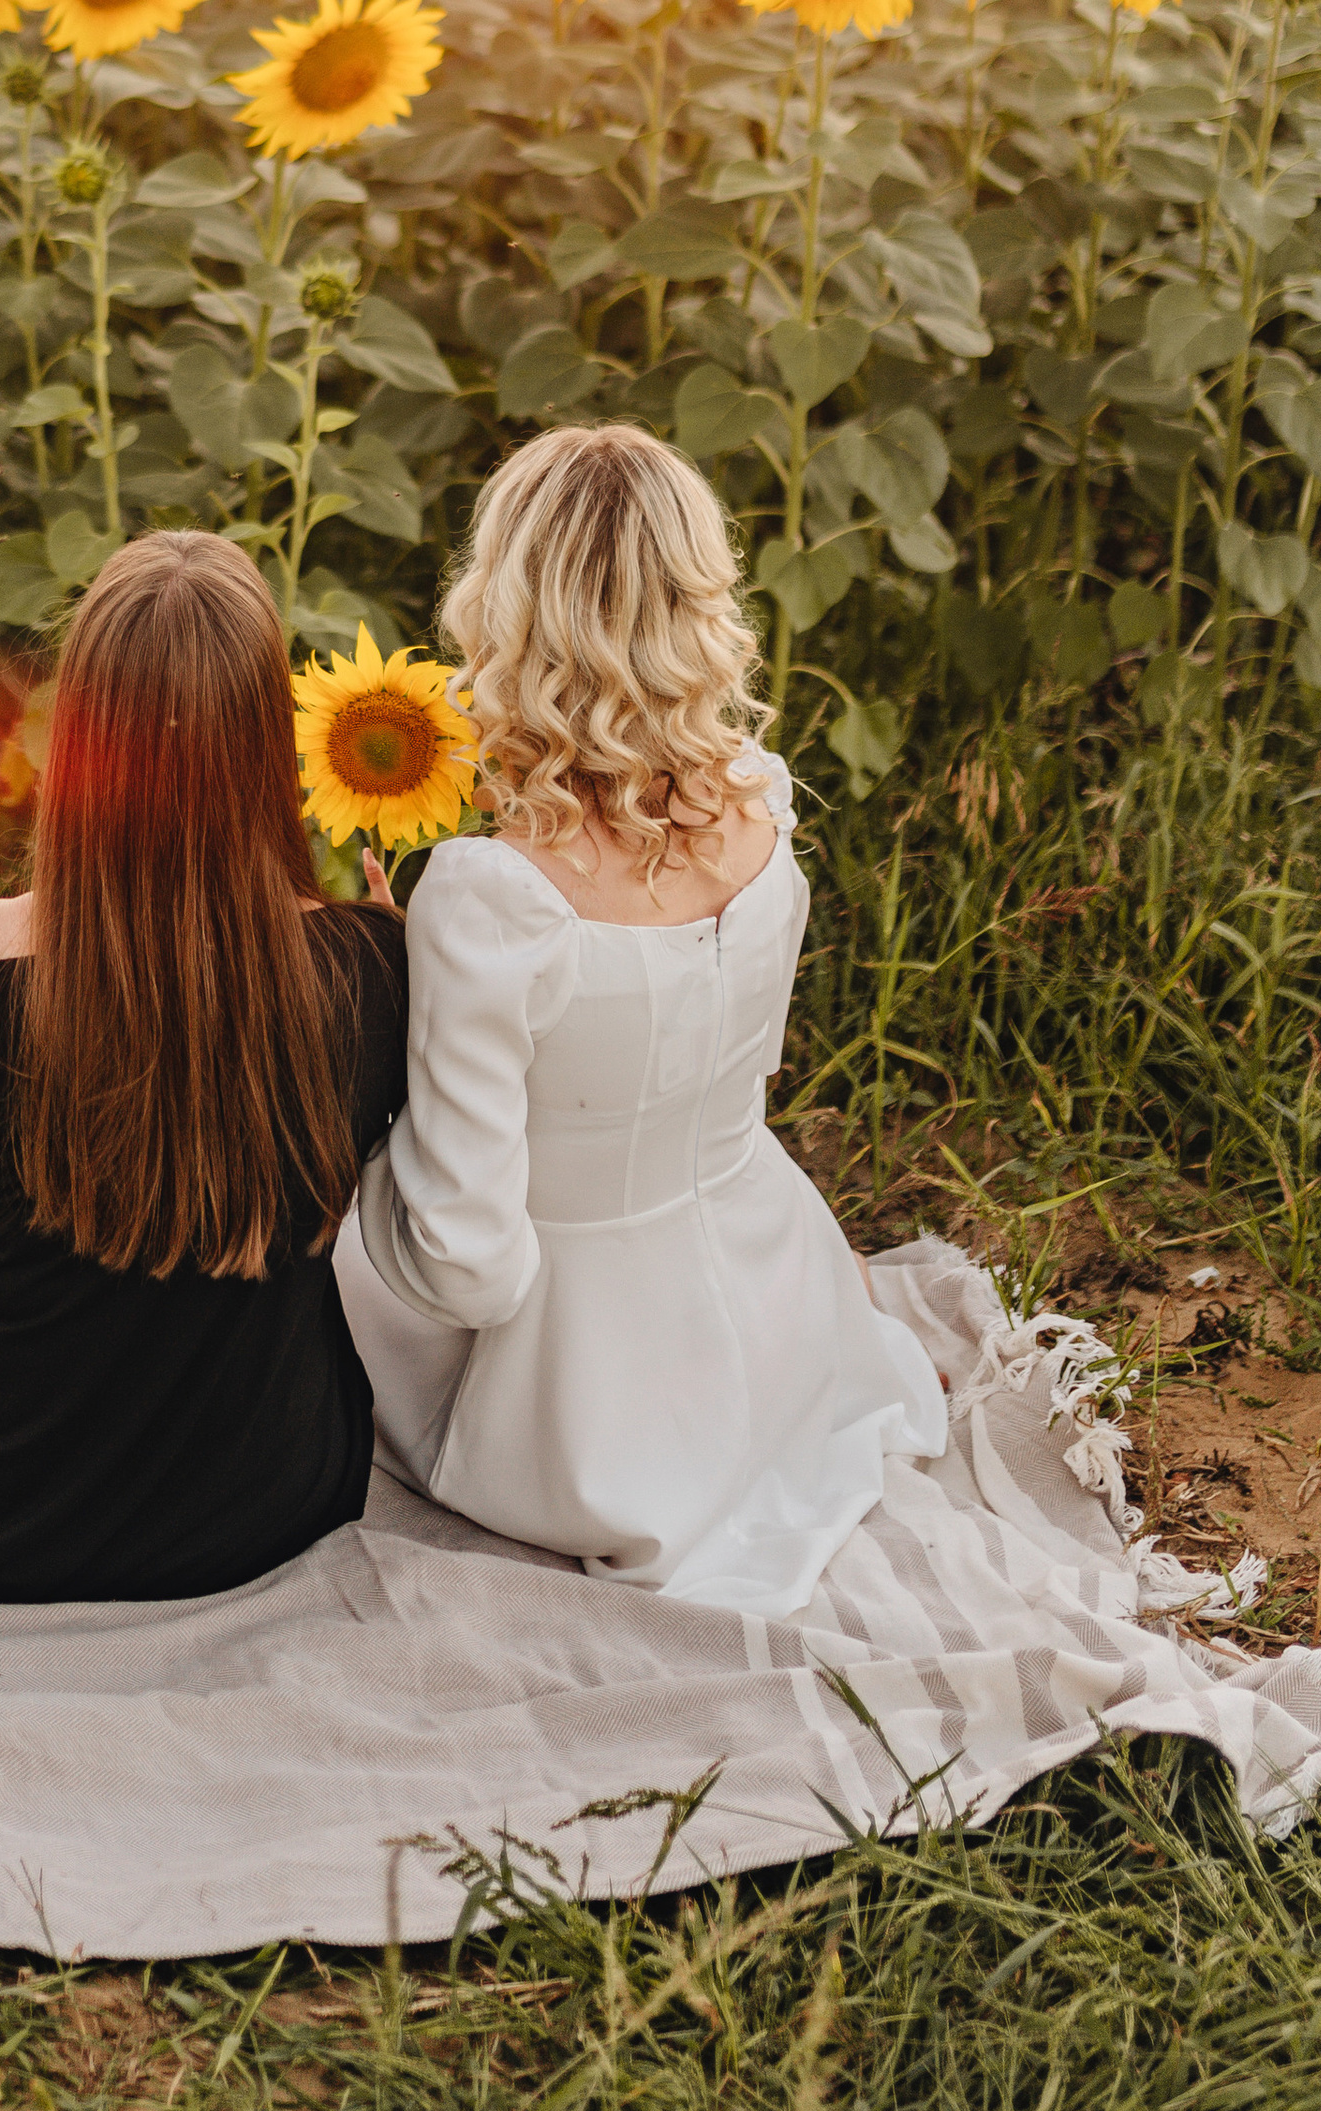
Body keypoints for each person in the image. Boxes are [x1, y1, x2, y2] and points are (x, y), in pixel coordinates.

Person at [334, 420, 947, 1609]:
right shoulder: (764, 805)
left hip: (581, 1414)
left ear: (502, 606)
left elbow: (465, 1268)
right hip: (788, 1324)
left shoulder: (487, 896)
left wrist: (371, 1088)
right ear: (696, 597)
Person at [0, 528, 410, 1602]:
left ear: (80, 732)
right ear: (266, 737)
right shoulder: (371, 966)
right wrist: (385, 947)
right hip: (267, 1503)